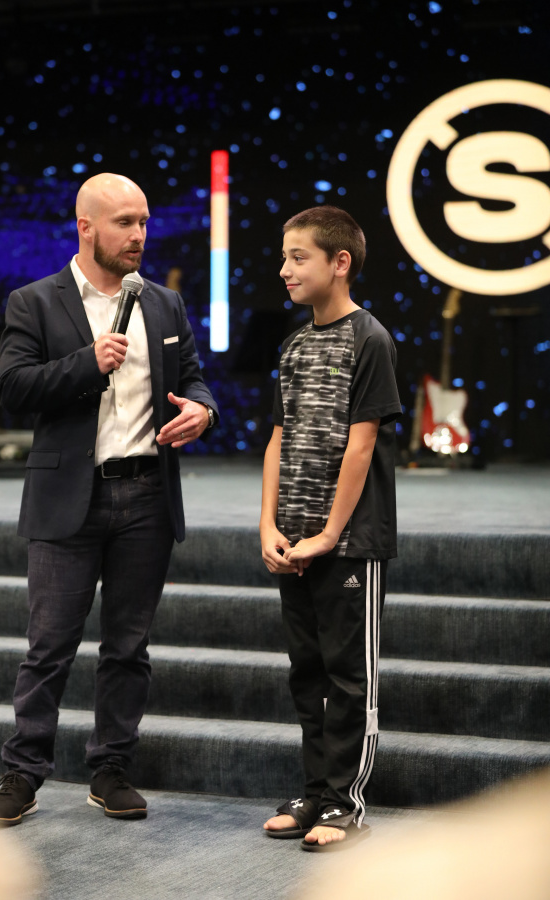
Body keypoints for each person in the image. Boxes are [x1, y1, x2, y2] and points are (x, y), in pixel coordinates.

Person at [0, 173, 218, 827]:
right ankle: (23, 773)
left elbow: (194, 377)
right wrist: (88, 362)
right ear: (85, 227)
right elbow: (14, 389)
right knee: (49, 646)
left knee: (128, 647)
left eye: (143, 222)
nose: (139, 235)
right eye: (124, 223)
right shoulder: (34, 301)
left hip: (146, 495)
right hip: (68, 498)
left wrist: (202, 410)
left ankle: (111, 769)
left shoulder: (164, 304)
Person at [260, 206, 401, 851]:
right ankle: (314, 791)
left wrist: (327, 535)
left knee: (348, 677)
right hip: (294, 540)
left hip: (346, 543)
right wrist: (269, 524)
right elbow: (278, 439)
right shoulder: (294, 344)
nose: (285, 270)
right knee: (307, 672)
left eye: (299, 257)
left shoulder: (370, 339)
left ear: (340, 262)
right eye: (284, 257)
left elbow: (361, 446)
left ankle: (346, 801)